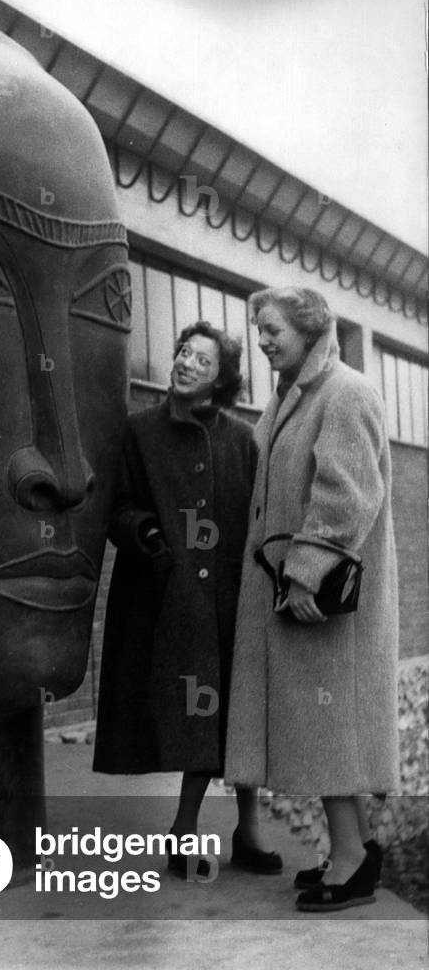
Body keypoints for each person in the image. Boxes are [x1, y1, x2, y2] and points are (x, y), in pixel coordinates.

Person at [225, 285, 398, 912]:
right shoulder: (291, 399)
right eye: (258, 330)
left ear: (309, 328)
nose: (262, 340)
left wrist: (304, 571)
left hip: (324, 602)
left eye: (272, 329)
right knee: (325, 730)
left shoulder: (345, 392)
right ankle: (353, 851)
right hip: (299, 600)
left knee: (328, 729)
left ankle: (351, 863)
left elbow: (347, 494)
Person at [94, 320, 281, 877]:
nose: (184, 362)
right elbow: (116, 505)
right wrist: (150, 541)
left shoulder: (243, 438)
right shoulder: (139, 431)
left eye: (202, 359)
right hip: (166, 601)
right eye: (181, 352)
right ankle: (186, 831)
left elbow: (260, 514)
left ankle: (242, 834)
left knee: (240, 717)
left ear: (221, 378)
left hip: (232, 599)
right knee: (197, 719)